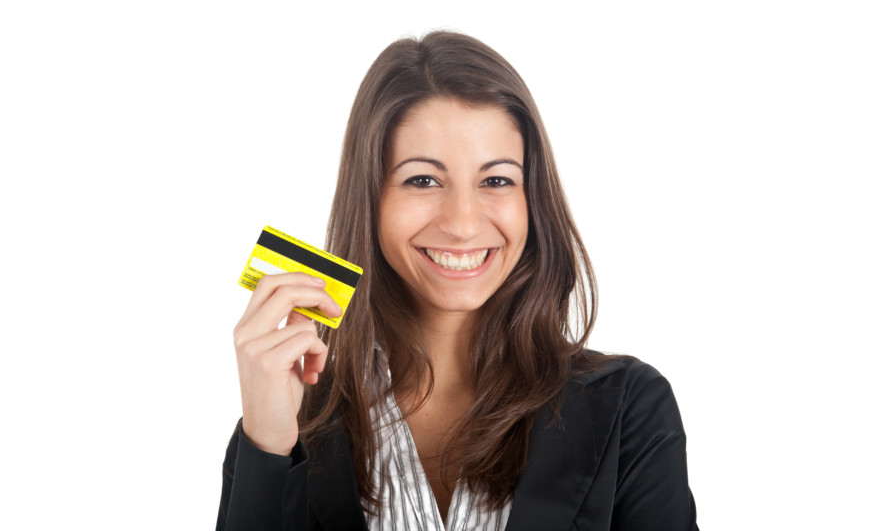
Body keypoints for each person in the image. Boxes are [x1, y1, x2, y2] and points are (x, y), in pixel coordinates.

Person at [216, 31, 698, 531]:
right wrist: (267, 450)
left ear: (532, 199)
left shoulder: (628, 407)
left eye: (496, 180)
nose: (463, 223)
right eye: (422, 180)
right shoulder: (287, 421)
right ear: (371, 199)